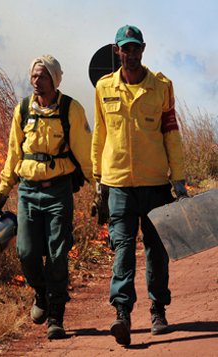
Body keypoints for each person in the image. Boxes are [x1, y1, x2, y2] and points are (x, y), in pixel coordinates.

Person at [92, 25, 187, 345]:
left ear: (143, 49)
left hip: (156, 184)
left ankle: (158, 309)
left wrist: (180, 180)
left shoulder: (161, 86)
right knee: (122, 249)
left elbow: (171, 134)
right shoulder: (104, 87)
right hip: (117, 183)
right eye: (125, 49)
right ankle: (122, 313)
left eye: (136, 49)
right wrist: (97, 180)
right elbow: (99, 135)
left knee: (156, 251)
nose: (131, 55)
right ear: (116, 51)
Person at [0, 55, 93, 339]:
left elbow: (85, 154)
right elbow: (14, 153)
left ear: (55, 79)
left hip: (59, 191)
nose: (37, 81)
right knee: (26, 251)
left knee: (58, 253)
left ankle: (56, 317)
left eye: (43, 76)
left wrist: (100, 189)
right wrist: (2, 190)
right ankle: (40, 294)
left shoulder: (71, 109)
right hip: (28, 192)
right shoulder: (22, 110)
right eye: (34, 76)